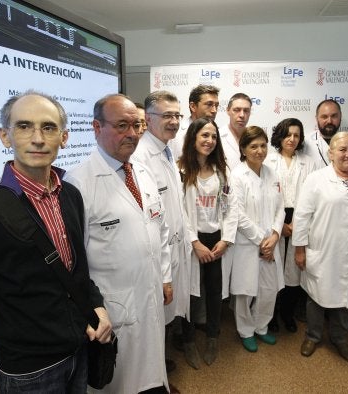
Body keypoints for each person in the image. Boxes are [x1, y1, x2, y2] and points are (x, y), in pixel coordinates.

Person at [0, 90, 112, 393]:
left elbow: (77, 271)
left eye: (48, 127)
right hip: (29, 370)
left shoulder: (70, 195)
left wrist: (96, 306)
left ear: (64, 137)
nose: (37, 138)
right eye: (23, 126)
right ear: (5, 137)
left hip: (78, 350)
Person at [66, 94, 172, 393]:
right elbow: (74, 260)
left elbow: (159, 229)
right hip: (114, 305)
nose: (133, 133)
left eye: (137, 125)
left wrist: (165, 276)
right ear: (96, 127)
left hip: (150, 291)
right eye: (122, 125)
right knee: (118, 381)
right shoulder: (79, 183)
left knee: (152, 372)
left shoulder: (142, 172)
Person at [293, 132, 348, 362]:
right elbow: (302, 216)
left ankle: (339, 337)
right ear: (330, 153)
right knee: (316, 294)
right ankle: (312, 335)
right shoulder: (316, 179)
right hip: (324, 249)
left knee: (347, 294)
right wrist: (300, 248)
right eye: (342, 150)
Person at [132, 90, 188, 392]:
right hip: (158, 254)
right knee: (154, 322)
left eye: (177, 115)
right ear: (148, 119)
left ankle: (159, 370)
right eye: (167, 115)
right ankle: (156, 383)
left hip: (174, 248)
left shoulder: (166, 149)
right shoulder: (141, 157)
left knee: (163, 320)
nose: (174, 121)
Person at [177, 117, 237, 369]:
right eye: (204, 135)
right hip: (192, 240)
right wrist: (194, 242)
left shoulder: (222, 171)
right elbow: (179, 210)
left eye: (213, 136)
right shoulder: (180, 170)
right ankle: (188, 340)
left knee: (214, 291)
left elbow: (232, 208)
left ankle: (212, 337)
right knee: (190, 292)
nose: (209, 141)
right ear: (193, 137)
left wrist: (225, 240)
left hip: (216, 239)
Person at [228, 126, 285, 352]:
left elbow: (281, 207)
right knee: (245, 291)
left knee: (269, 290)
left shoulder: (272, 173)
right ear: (243, 149)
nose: (260, 151)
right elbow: (238, 214)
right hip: (248, 244)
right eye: (253, 146)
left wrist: (275, 234)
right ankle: (245, 331)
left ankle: (261, 327)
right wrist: (263, 240)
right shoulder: (236, 176)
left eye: (263, 145)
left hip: (271, 242)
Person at [265, 118, 320, 333]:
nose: (292, 139)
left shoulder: (310, 162)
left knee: (293, 272)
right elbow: (265, 196)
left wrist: (296, 224)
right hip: (274, 218)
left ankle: (287, 314)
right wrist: (281, 225)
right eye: (288, 134)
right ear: (280, 135)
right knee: (272, 270)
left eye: (296, 135)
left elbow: (312, 196)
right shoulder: (268, 160)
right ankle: (270, 316)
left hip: (300, 218)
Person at [169, 84, 220, 159]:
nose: (214, 110)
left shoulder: (216, 132)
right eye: (209, 104)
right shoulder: (176, 134)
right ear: (193, 106)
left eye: (216, 105)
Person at [303, 99, 342, 166]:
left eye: (334, 116)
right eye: (324, 117)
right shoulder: (304, 142)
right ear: (317, 118)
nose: (329, 121)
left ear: (340, 116)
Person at [221, 93, 252, 170]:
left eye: (246, 110)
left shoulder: (254, 137)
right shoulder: (217, 137)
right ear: (228, 111)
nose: (242, 115)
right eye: (237, 110)